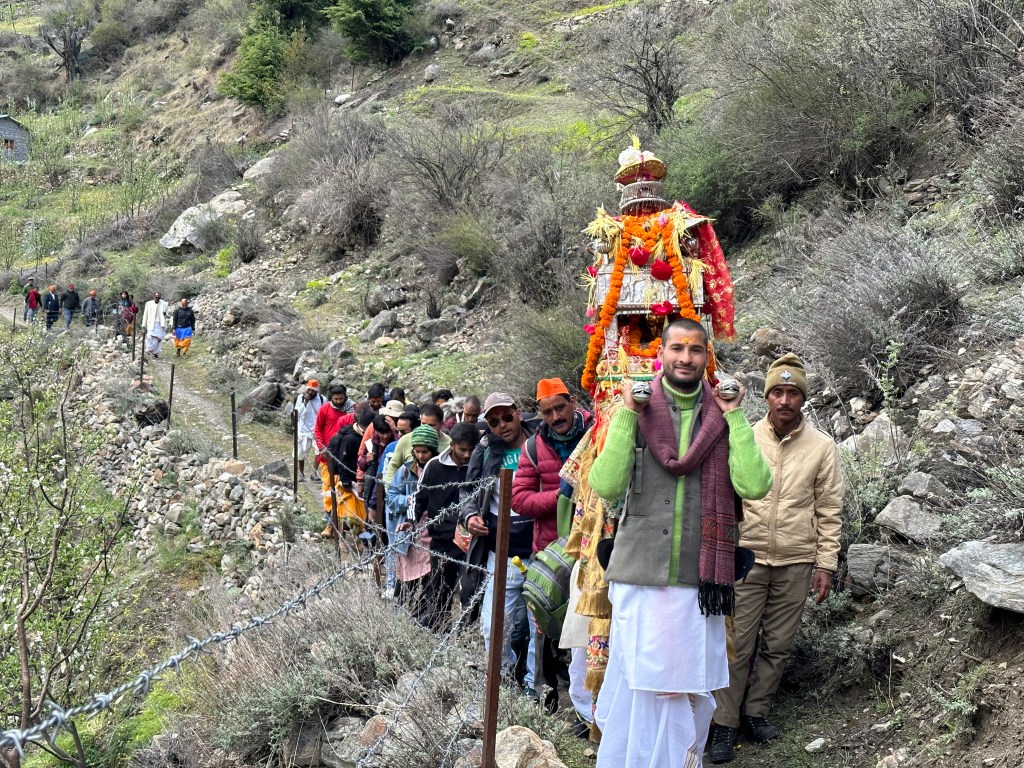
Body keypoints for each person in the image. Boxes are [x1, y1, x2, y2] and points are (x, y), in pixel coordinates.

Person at [586, 318, 772, 768]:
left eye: (695, 350)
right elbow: (606, 486)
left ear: (707, 357)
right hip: (640, 576)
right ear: (661, 355)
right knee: (640, 687)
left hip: (697, 581)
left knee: (687, 689)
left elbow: (754, 485)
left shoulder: (723, 416)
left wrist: (736, 416)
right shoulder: (634, 410)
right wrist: (628, 413)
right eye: (677, 349)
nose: (685, 358)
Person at [709, 353, 844, 763]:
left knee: (779, 646)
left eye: (793, 393)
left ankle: (757, 712)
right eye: (778, 392)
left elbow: (829, 508)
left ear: (802, 398)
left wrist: (825, 564)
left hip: (796, 559)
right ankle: (724, 724)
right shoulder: (745, 435)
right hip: (747, 558)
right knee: (737, 644)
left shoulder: (822, 446)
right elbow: (726, 496)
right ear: (767, 397)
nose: (785, 400)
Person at [511, 377, 593, 724]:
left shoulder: (597, 430)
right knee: (549, 627)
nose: (556, 416)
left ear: (572, 401)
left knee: (590, 624)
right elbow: (518, 497)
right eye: (548, 412)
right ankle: (549, 701)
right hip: (553, 552)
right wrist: (560, 498)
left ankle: (589, 705)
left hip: (593, 546)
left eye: (560, 407)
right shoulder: (534, 447)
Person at [461, 392, 539, 697]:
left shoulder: (539, 443)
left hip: (538, 549)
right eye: (494, 421)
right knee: (494, 626)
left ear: (518, 414)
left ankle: (535, 685)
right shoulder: (485, 451)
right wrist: (469, 516)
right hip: (500, 551)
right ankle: (501, 682)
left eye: (507, 417)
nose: (502, 425)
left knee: (539, 627)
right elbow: (468, 491)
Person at [417, 421, 480, 631]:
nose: (467, 455)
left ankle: (466, 634)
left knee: (470, 589)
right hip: (442, 540)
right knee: (440, 590)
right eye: (463, 449)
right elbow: (420, 497)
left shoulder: (478, 467)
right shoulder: (434, 466)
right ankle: (438, 632)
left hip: (472, 541)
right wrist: (411, 521)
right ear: (452, 445)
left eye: (471, 450)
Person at [387, 425, 439, 609]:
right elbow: (391, 498)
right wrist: (410, 500)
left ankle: (422, 616)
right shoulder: (405, 471)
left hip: (432, 533)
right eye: (417, 451)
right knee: (405, 580)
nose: (421, 456)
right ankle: (398, 615)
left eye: (425, 452)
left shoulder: (440, 470)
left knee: (429, 580)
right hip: (409, 533)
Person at [314, 384, 357, 537]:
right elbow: (317, 430)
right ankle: (330, 524)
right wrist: (322, 448)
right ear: (331, 398)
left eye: (341, 398)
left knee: (345, 493)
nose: (338, 401)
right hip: (328, 459)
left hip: (347, 460)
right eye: (335, 399)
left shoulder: (353, 409)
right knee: (328, 492)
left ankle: (343, 524)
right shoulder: (324, 409)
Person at [325, 409, 372, 539]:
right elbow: (343, 460)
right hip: (346, 477)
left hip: (357, 476)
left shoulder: (365, 436)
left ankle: (354, 534)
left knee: (354, 508)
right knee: (342, 504)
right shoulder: (350, 438)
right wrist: (345, 480)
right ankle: (331, 526)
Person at [384, 403, 452, 484]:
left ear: (441, 424)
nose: (426, 428)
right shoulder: (406, 440)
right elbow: (393, 466)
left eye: (431, 425)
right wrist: (390, 489)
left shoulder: (449, 444)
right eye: (423, 424)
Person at [295, 380, 325, 480]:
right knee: (300, 453)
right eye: (309, 390)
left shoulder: (322, 399)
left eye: (313, 391)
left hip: (317, 430)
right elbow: (297, 414)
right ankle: (301, 473)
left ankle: (314, 473)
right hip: (303, 430)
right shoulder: (300, 398)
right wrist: (305, 402)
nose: (310, 393)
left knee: (319, 451)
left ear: (317, 391)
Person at [141, 292, 169, 358]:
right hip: (151, 323)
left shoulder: (163, 303)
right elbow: (146, 314)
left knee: (159, 338)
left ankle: (155, 352)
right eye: (156, 297)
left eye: (159, 297)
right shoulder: (149, 304)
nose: (157, 298)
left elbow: (166, 312)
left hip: (160, 323)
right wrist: (143, 325)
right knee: (150, 337)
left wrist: (165, 313)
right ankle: (148, 349)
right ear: (154, 297)